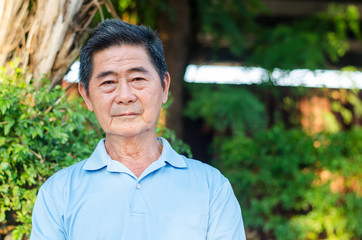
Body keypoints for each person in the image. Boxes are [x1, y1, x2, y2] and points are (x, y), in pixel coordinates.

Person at [30, 19, 246, 240]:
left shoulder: (212, 189)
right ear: (86, 96)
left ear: (164, 87)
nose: (124, 96)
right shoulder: (58, 193)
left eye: (137, 79)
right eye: (108, 82)